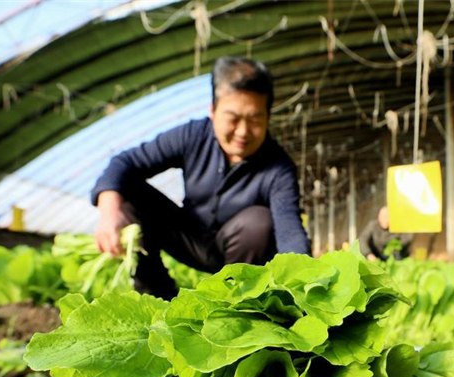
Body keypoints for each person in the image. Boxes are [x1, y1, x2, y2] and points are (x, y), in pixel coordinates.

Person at [91, 57, 310, 299]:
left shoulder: (279, 167)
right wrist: (109, 209)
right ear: (213, 111)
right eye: (233, 118)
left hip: (240, 250)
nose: (243, 132)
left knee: (259, 221)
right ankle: (156, 294)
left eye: (255, 120)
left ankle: (236, 303)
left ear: (268, 117)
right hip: (189, 237)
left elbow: (290, 231)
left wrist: (305, 281)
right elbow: (125, 162)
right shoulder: (193, 135)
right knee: (128, 188)